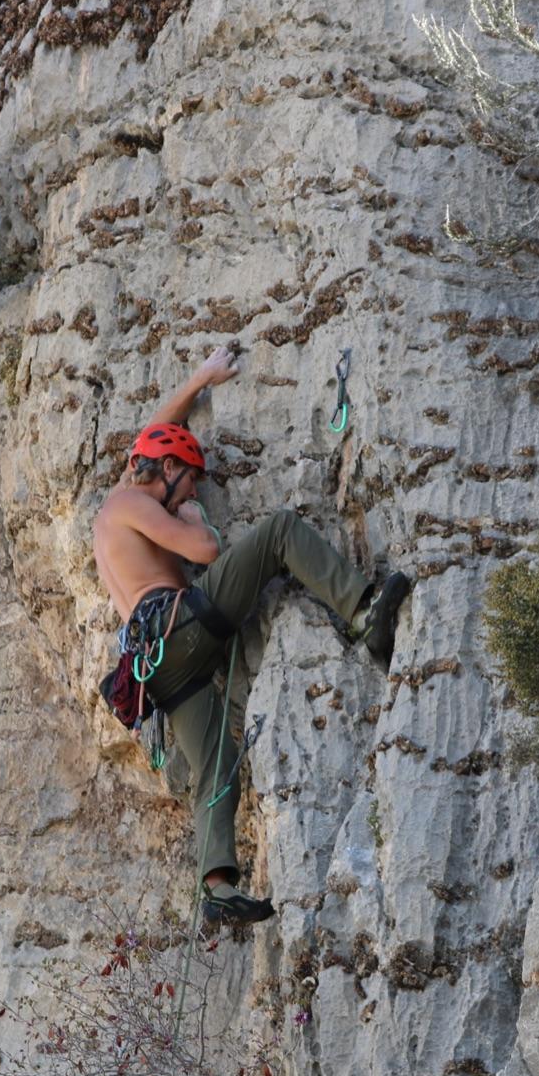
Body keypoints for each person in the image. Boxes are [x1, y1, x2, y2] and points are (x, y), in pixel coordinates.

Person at [92, 346, 411, 923]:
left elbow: (153, 435)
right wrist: (190, 520)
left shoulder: (116, 509)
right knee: (279, 532)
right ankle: (365, 614)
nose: (193, 493)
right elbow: (205, 550)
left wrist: (200, 380)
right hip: (182, 626)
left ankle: (217, 884)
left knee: (215, 761)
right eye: (190, 483)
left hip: (158, 668)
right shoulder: (132, 502)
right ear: (166, 472)